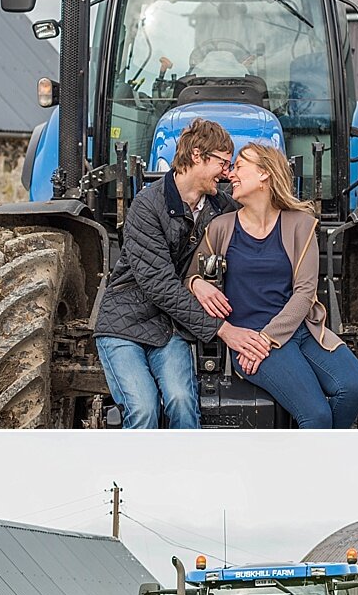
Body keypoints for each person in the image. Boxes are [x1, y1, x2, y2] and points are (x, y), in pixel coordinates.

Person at [94, 119, 269, 428]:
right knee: (144, 408)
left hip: (171, 327)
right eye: (223, 163)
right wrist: (222, 329)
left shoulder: (221, 208)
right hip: (126, 322)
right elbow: (158, 285)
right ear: (197, 155)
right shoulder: (147, 207)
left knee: (182, 401)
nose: (228, 172)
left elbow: (260, 233)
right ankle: (132, 477)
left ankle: (187, 474)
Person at [186, 143, 358, 428]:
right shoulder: (221, 227)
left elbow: (305, 293)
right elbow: (189, 276)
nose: (230, 174)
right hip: (250, 341)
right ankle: (321, 465)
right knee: (317, 415)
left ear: (264, 174)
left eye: (238, 166)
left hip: (297, 331)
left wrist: (268, 337)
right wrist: (198, 282)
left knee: (356, 388)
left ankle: (319, 462)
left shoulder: (301, 225)